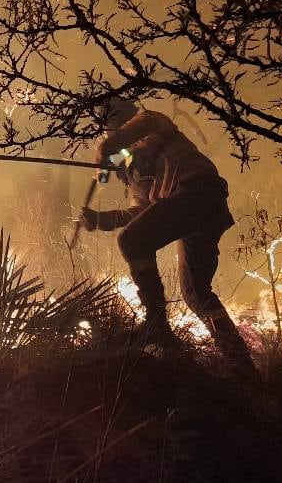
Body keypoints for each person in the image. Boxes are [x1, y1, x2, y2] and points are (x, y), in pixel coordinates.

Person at [78, 97, 254, 370]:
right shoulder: (133, 168)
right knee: (196, 292)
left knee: (132, 241)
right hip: (199, 208)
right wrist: (101, 219)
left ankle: (157, 323)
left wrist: (103, 159)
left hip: (197, 193)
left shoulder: (153, 122)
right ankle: (242, 365)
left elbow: (112, 148)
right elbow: (143, 213)